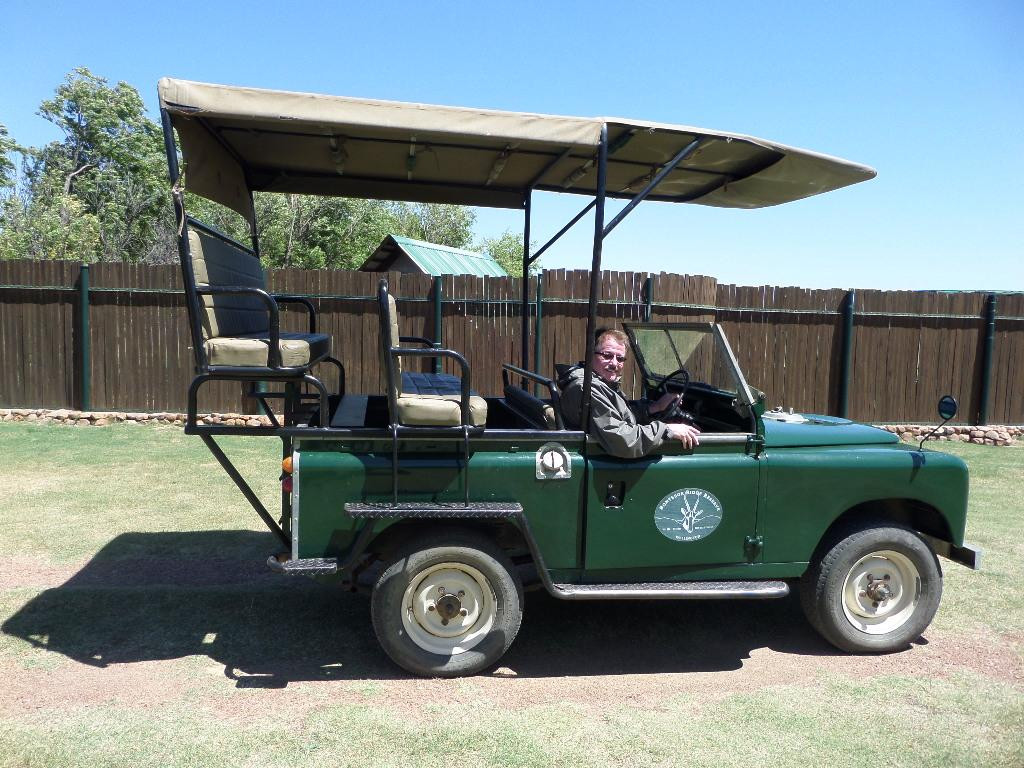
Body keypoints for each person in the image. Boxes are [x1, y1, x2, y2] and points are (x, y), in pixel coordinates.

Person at [559, 328, 701, 459]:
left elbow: (618, 414)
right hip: (606, 461)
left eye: (620, 358)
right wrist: (666, 430)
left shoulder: (600, 383)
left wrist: (655, 407)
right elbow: (622, 440)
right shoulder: (588, 388)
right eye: (607, 356)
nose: (614, 363)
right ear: (591, 355)